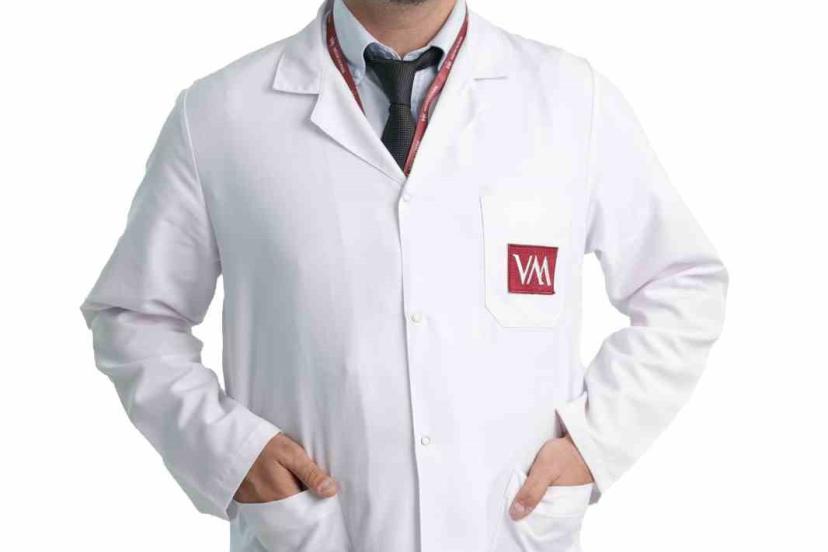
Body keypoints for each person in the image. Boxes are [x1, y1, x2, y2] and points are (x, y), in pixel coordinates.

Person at [80, 0, 728, 550]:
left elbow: (682, 283)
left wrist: (595, 441)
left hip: (505, 527)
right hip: (316, 530)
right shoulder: (219, 114)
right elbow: (134, 314)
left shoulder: (570, 99)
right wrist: (228, 452)